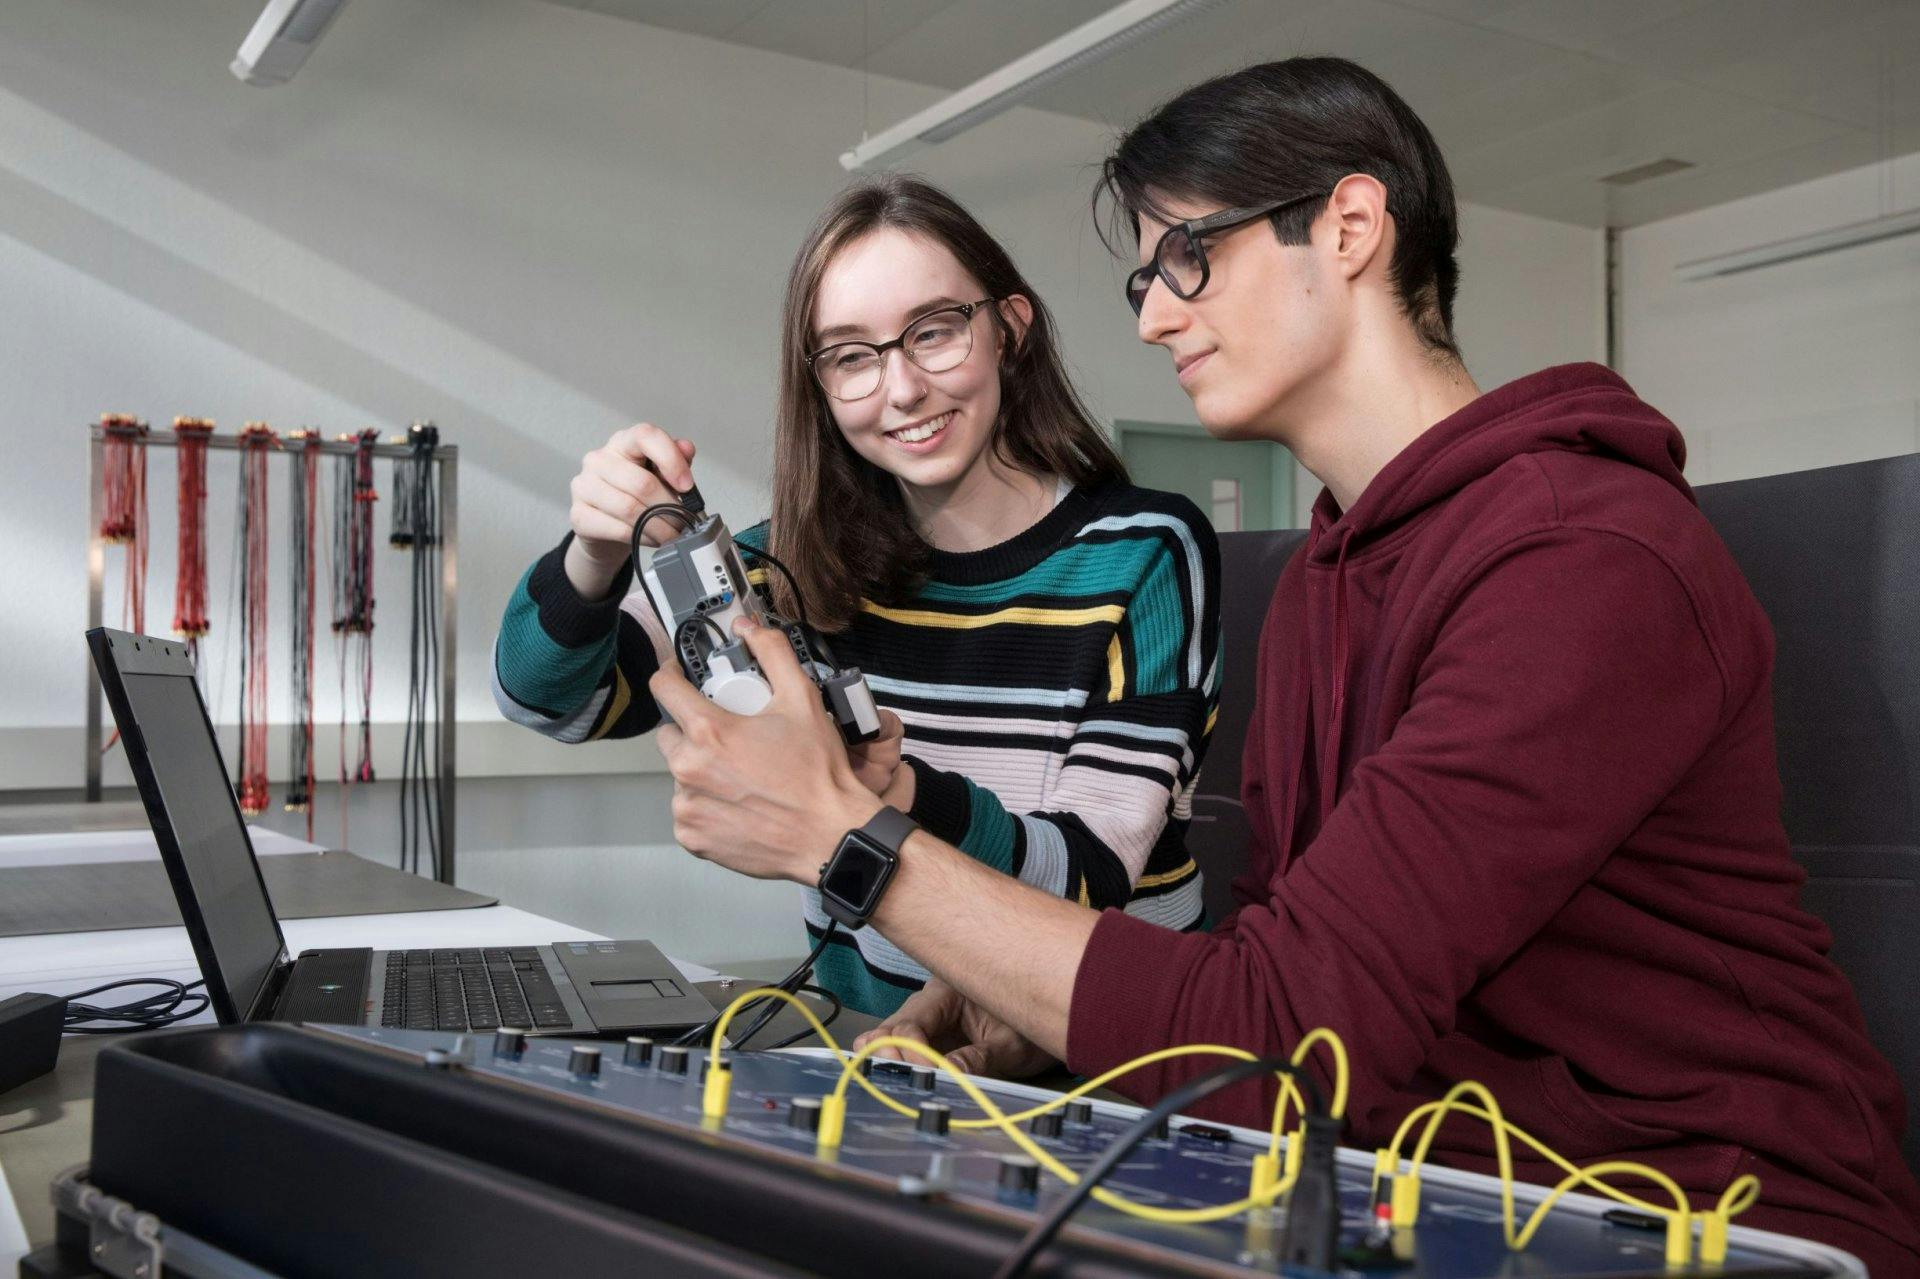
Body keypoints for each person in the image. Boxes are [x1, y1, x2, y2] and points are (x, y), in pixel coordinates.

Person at [646, 59, 1920, 1270]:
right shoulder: (1330, 570)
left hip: (1709, 1211)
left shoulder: (1583, 557)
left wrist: (838, 835)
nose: (1151, 315)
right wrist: (1003, 1012)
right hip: (1435, 1179)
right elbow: (1283, 951)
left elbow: (1279, 1034)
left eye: (1185, 257)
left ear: (1353, 224)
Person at [493, 175, 1220, 1020]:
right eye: (852, 356)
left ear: (1010, 330)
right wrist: (593, 550)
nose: (902, 388)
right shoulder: (781, 569)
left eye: (935, 332)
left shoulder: (1141, 554)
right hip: (866, 1046)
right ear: (821, 385)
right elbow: (549, 699)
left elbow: (1085, 883)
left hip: (1104, 1060)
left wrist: (883, 795)